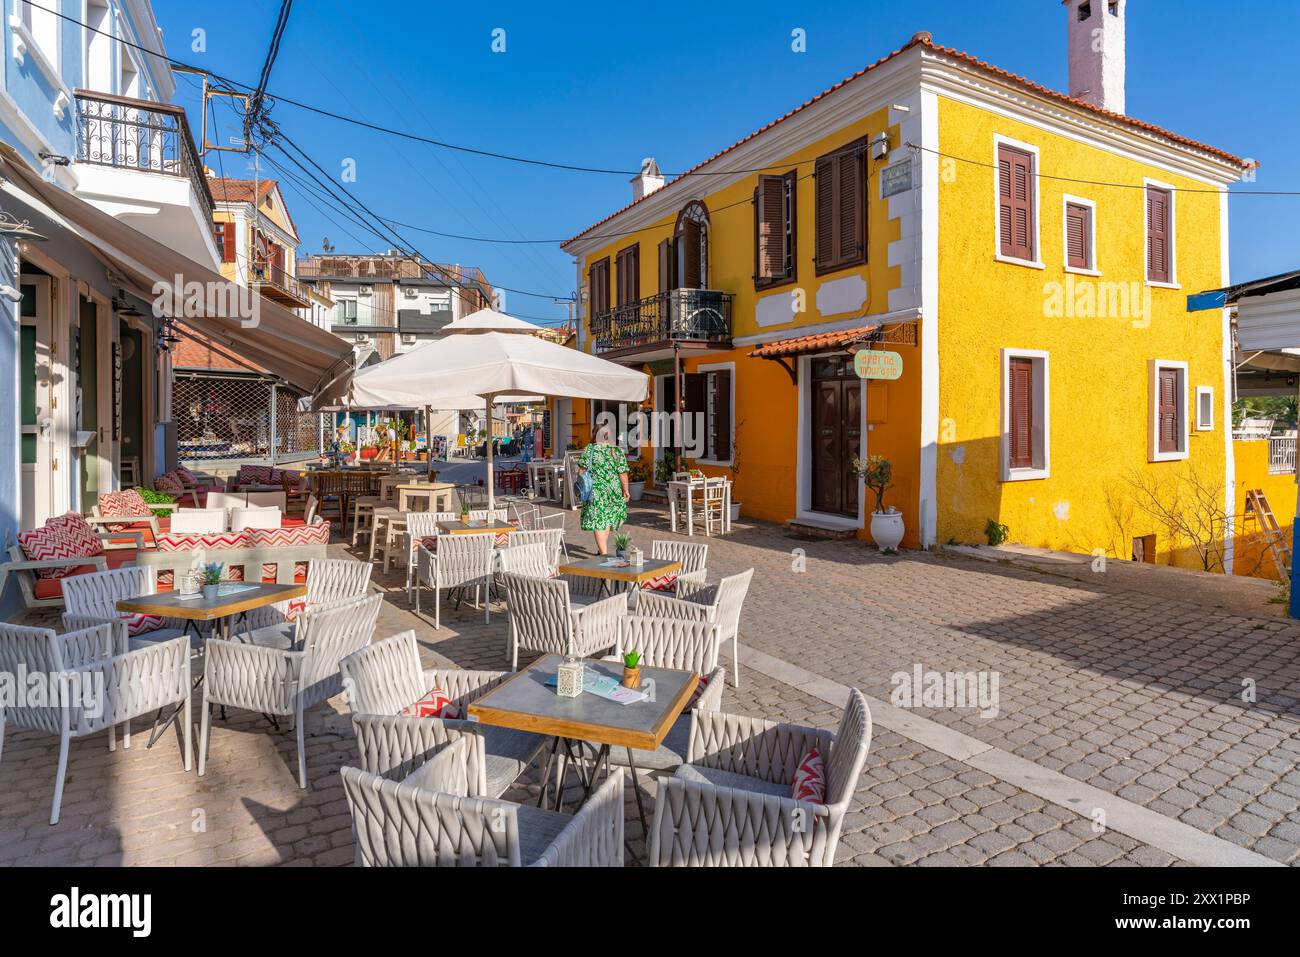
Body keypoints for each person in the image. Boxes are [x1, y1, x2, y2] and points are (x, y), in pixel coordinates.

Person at [578, 421, 629, 555]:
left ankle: (604, 554)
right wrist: (626, 490)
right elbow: (623, 473)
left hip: (596, 491)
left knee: (599, 521)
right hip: (614, 491)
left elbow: (581, 471)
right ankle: (602, 552)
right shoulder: (616, 451)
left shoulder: (590, 449)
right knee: (606, 520)